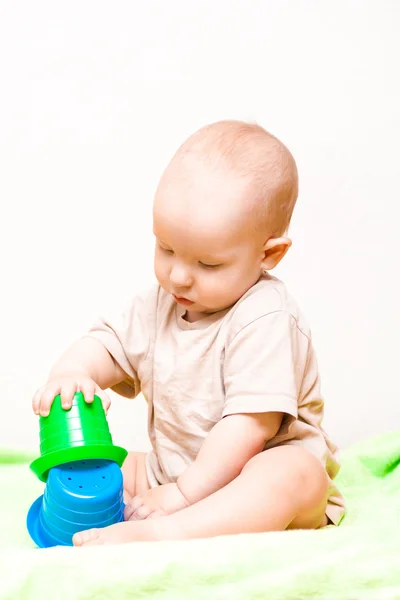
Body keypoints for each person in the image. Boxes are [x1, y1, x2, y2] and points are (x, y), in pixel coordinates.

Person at [32, 120, 345, 546]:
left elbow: (248, 428)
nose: (178, 276)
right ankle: (118, 524)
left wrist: (182, 496)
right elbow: (106, 345)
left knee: (289, 474)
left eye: (208, 264)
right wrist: (70, 374)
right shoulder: (159, 304)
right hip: (172, 472)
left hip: (257, 474)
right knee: (101, 472)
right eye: (166, 249)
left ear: (268, 254)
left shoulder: (265, 316)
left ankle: (164, 533)